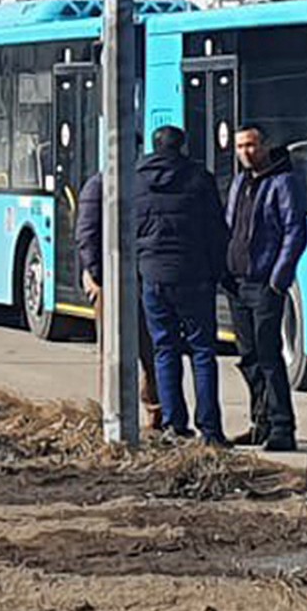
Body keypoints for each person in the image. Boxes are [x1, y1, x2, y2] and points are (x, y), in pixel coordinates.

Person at [134, 125, 229, 446]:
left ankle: (175, 425)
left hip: (153, 277)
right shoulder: (199, 178)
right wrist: (217, 273)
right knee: (203, 352)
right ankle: (211, 431)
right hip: (194, 277)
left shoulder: (136, 180)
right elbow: (217, 231)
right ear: (183, 146)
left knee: (165, 350)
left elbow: (131, 230)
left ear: (153, 145)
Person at [225, 124, 307, 453]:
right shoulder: (239, 182)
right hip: (237, 282)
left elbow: (295, 232)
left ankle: (282, 428)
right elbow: (230, 225)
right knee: (248, 358)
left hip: (264, 285)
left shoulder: (283, 182)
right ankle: (258, 422)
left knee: (269, 356)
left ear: (264, 146)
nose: (245, 152)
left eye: (251, 145)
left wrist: (278, 280)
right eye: (240, 146)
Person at [74, 170, 163, 431]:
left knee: (143, 350)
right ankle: (115, 414)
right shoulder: (101, 186)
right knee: (118, 352)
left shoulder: (101, 185)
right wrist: (99, 276)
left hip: (136, 279)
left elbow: (85, 234)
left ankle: (150, 410)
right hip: (114, 283)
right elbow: (88, 235)